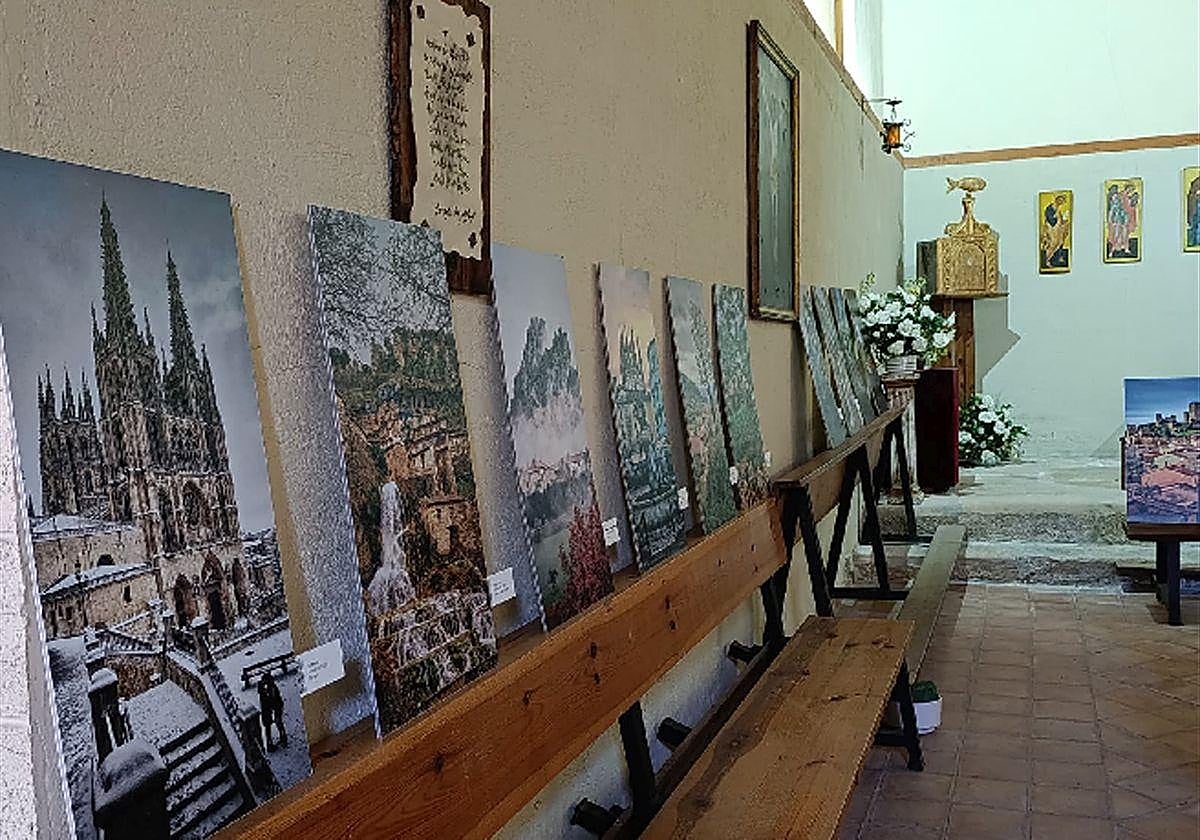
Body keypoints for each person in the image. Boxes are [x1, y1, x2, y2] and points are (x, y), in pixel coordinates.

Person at [258, 671, 287, 750]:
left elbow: (275, 699)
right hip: (268, 709)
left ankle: (282, 739)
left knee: (277, 723)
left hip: (274, 707)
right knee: (270, 725)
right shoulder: (266, 688)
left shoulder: (271, 687)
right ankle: (271, 744)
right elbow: (269, 699)